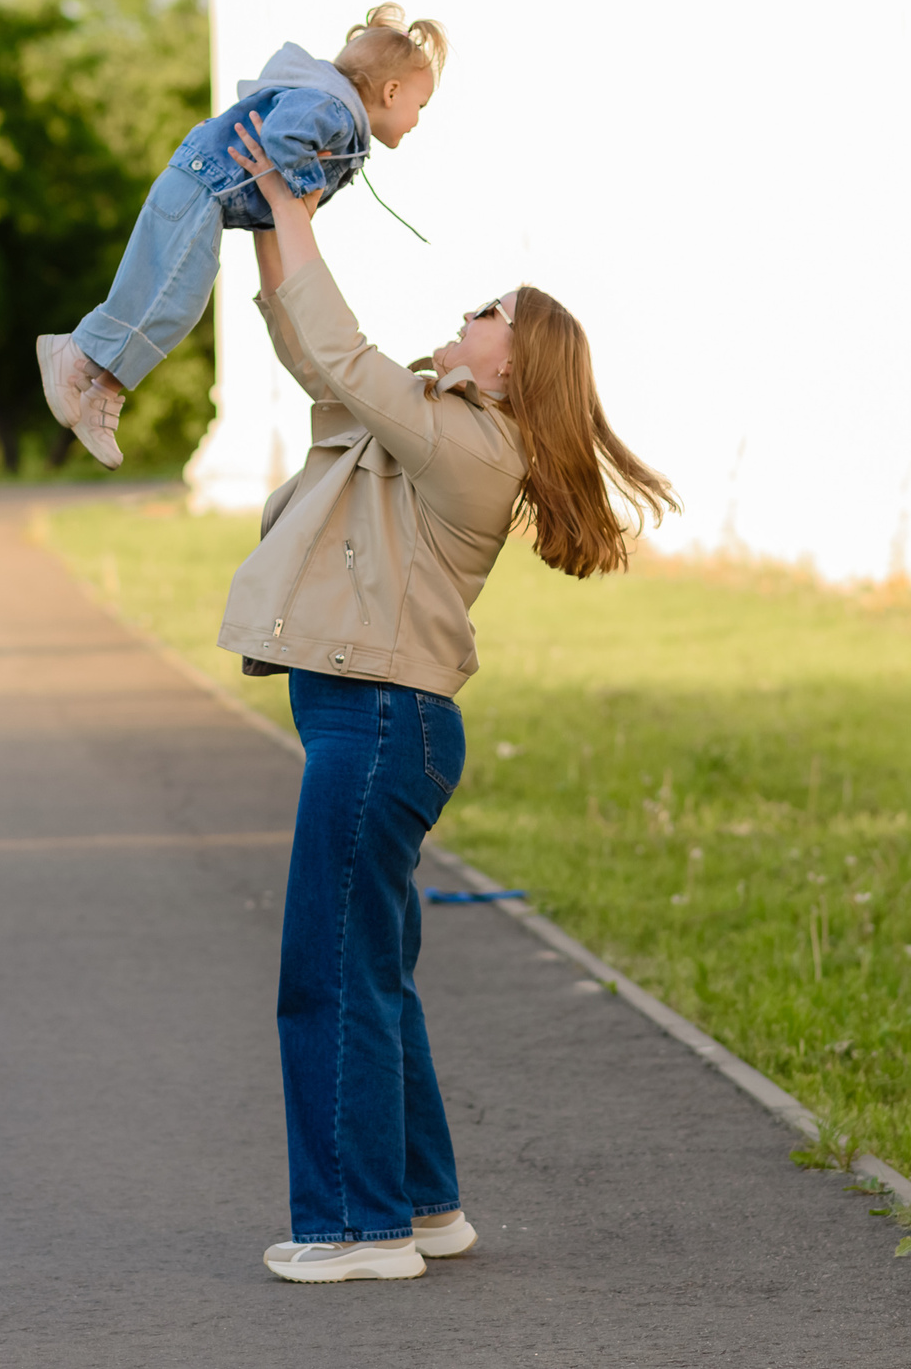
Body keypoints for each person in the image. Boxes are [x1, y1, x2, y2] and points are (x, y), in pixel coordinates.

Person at [217, 114, 676, 1283]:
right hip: (375, 720)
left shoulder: (477, 448)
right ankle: (423, 1206)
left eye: (490, 311)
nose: (469, 315)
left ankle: (353, 1229)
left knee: (324, 970)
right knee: (372, 970)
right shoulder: (437, 422)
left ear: (513, 360)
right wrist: (276, 224)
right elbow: (325, 361)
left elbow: (347, 360)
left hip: (378, 722)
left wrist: (295, 217)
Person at [34, 4, 447, 469]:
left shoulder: (337, 117)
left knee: (181, 301)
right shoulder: (332, 111)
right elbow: (283, 137)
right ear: (391, 92)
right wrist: (305, 188)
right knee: (170, 291)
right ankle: (77, 352)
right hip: (203, 182)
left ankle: (101, 390)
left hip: (211, 194)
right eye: (420, 105)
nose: (418, 119)